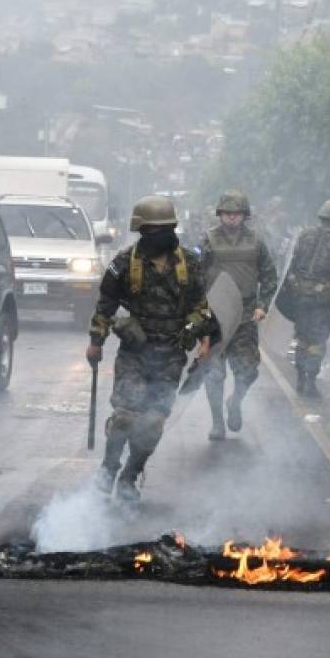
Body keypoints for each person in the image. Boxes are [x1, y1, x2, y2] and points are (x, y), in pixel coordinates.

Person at [87, 195, 217, 501]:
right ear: (141, 232)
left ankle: (130, 475)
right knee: (125, 416)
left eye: (163, 229)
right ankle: (109, 466)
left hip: (171, 356)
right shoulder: (124, 264)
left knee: (153, 423)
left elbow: (202, 308)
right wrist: (96, 341)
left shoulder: (189, 263)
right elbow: (105, 306)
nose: (157, 236)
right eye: (151, 231)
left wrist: (204, 341)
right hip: (135, 355)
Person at [199, 191, 278, 440]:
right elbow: (196, 277)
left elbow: (269, 276)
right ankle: (217, 423)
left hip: (245, 316)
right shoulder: (209, 240)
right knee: (214, 373)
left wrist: (262, 305)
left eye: (236, 213)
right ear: (220, 214)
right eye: (227, 212)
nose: (231, 217)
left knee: (248, 370)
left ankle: (235, 401)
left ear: (244, 215)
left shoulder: (256, 241)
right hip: (216, 316)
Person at [282, 199, 330, 397]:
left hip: (299, 295)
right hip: (320, 300)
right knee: (317, 340)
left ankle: (301, 378)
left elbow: (292, 264)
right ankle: (310, 381)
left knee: (302, 338)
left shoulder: (304, 234)